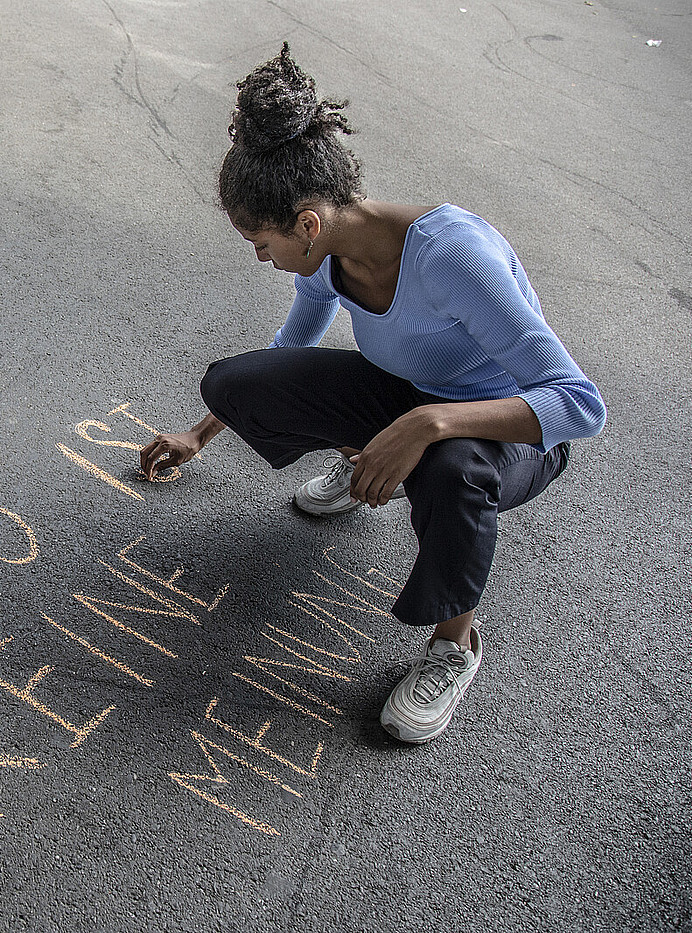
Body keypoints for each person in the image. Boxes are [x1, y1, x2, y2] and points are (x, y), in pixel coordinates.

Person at [139, 43, 606, 744]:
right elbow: (288, 353)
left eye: (261, 242)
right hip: (414, 400)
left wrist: (427, 424)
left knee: (452, 469)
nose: (260, 258)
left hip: (510, 435)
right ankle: (376, 459)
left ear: (307, 223)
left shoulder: (454, 256)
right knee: (237, 381)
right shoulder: (330, 255)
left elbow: (579, 403)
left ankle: (455, 647)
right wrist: (201, 433)